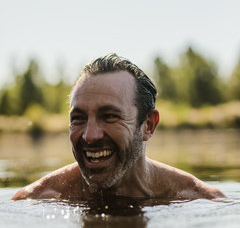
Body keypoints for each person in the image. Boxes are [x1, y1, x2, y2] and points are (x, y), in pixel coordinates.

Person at [12, 54, 225, 201]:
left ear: (148, 125)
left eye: (110, 116)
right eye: (78, 118)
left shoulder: (200, 199)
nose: (90, 135)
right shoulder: (37, 200)